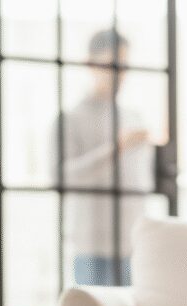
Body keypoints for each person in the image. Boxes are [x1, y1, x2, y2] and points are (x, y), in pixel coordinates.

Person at [50, 29, 153, 286]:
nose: (120, 74)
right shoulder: (69, 119)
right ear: (91, 64)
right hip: (91, 248)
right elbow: (60, 178)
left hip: (133, 246)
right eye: (112, 65)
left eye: (125, 66)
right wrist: (116, 148)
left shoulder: (134, 117)